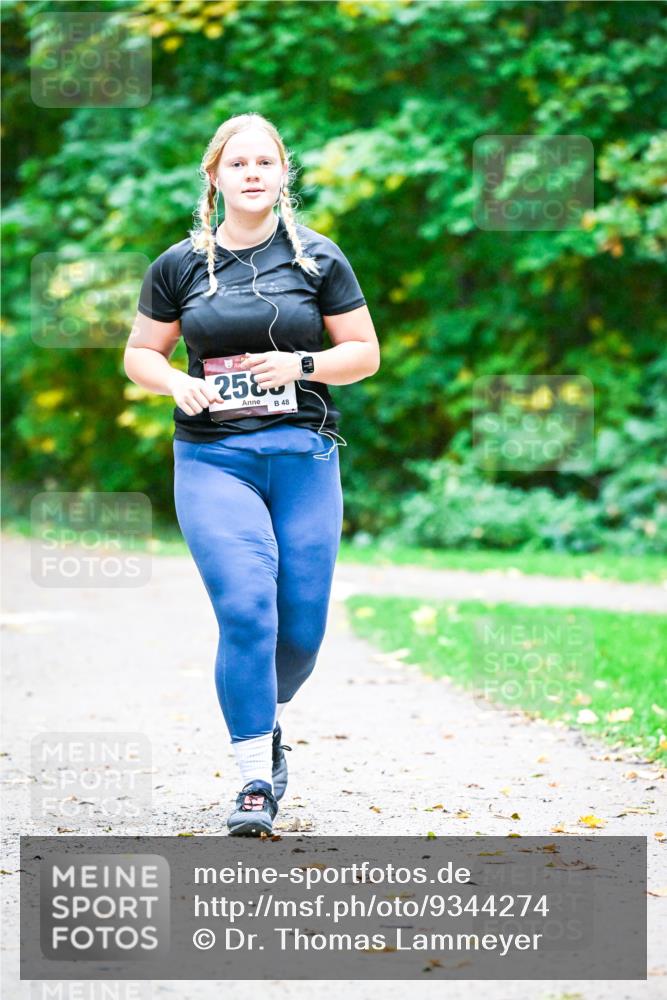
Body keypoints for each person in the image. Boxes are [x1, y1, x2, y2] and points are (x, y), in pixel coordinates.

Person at [124, 112, 379, 836]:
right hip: (213, 458)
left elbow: (362, 353)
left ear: (282, 174)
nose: (252, 173)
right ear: (215, 176)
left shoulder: (319, 260)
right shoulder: (179, 265)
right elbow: (140, 354)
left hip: (303, 455)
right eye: (238, 163)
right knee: (245, 608)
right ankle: (252, 782)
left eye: (265, 162)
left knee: (299, 632)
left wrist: (301, 364)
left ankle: (264, 721)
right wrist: (174, 383)